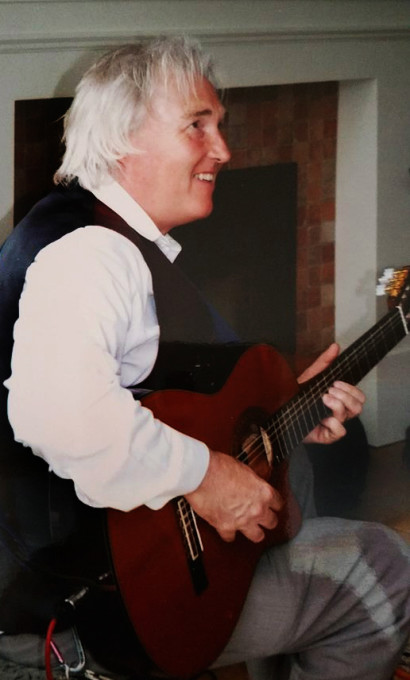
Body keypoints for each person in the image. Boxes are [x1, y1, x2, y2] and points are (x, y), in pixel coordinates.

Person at [0, 36, 409, 680]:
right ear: (124, 137)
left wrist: (292, 406)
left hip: (114, 551)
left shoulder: (104, 233)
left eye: (220, 125)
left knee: (294, 479)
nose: (223, 148)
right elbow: (63, 417)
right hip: (96, 611)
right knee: (382, 565)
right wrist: (207, 478)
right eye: (198, 125)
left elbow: (159, 392)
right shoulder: (92, 255)